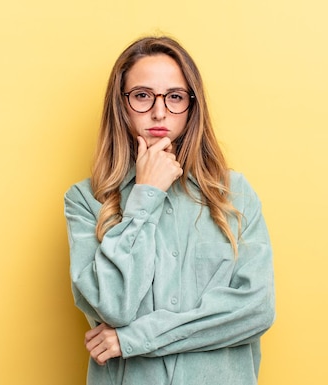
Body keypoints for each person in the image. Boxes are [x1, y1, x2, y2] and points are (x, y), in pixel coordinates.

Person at [64, 35, 275, 385]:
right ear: (121, 104)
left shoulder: (235, 194)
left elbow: (256, 310)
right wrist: (145, 195)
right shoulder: (86, 201)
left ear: (192, 106)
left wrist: (132, 339)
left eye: (175, 97)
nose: (159, 112)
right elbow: (113, 305)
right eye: (143, 96)